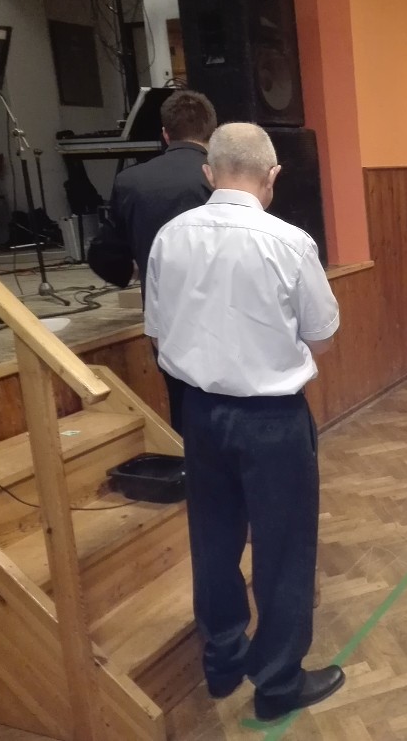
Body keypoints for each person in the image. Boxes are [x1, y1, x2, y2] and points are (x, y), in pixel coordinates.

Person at [144, 123, 344, 721]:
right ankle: (278, 683)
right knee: (282, 550)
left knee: (212, 542)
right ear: (272, 175)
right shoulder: (291, 243)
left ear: (209, 173)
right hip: (273, 420)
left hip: (199, 414)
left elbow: (157, 331)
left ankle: (223, 661)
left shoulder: (170, 237)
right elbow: (323, 337)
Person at [90, 90, 217, 434]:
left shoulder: (130, 181)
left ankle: (190, 462)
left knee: (183, 407)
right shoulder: (221, 177)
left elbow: (104, 253)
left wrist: (132, 269)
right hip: (224, 311)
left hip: (166, 318)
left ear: (165, 133)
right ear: (211, 133)